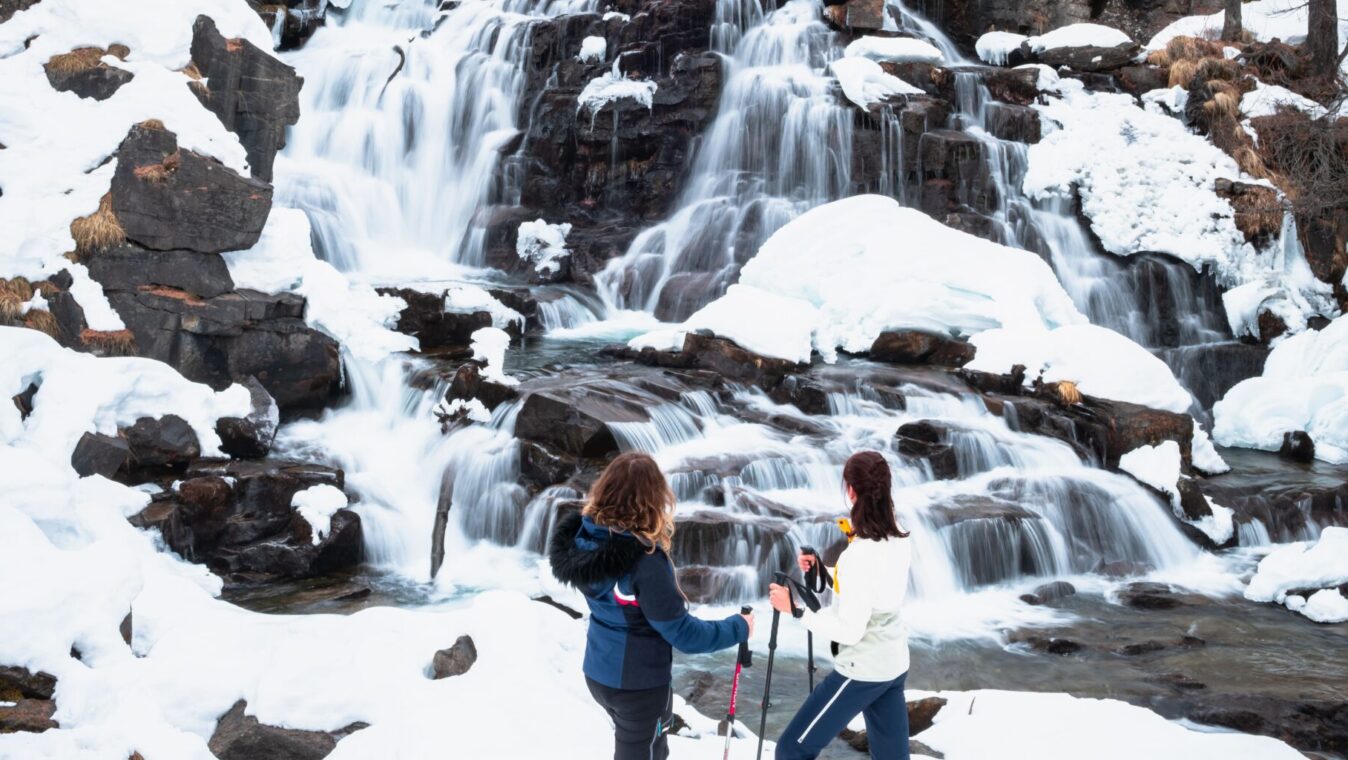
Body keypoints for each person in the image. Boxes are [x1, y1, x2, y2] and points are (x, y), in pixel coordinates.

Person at [549, 452, 754, 760]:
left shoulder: (583, 540)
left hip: (598, 672)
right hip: (638, 688)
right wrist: (737, 628)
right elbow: (683, 634)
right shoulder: (643, 561)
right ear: (652, 499)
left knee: (655, 749)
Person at [769, 450, 912, 760]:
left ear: (851, 490)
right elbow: (875, 591)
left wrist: (794, 609)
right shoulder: (899, 534)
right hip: (893, 663)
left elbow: (849, 631)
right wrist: (824, 571)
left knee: (791, 750)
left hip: (860, 670)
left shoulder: (859, 555)